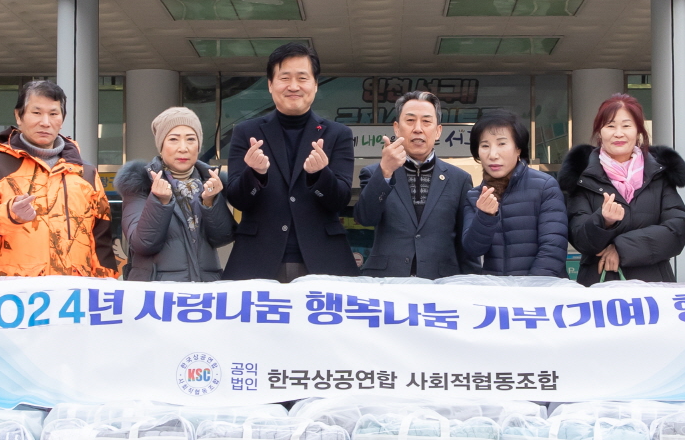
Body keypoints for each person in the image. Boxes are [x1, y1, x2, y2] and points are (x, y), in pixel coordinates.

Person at [222, 42, 357, 281]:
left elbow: (340, 200)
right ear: (270, 85)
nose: (293, 86)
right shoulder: (246, 132)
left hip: (323, 259)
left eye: (302, 78)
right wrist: (255, 174)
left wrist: (320, 175)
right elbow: (237, 199)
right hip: (256, 259)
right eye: (284, 78)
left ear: (315, 84)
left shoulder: (338, 134)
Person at [0, 80, 118, 278]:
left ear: (62, 119)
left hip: (75, 289)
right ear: (19, 116)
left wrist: (106, 283)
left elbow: (101, 238)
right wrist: (10, 214)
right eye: (36, 113)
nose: (45, 122)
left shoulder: (85, 172)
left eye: (53, 114)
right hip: (14, 289)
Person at [560, 93, 685, 285]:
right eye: (610, 126)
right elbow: (579, 238)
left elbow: (677, 230)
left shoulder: (659, 174)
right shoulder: (583, 176)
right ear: (599, 132)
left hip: (653, 287)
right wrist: (603, 221)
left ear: (638, 131)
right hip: (600, 286)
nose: (618, 133)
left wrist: (621, 248)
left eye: (626, 126)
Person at [354, 90, 467, 278]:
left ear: (438, 131)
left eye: (426, 121)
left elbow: (465, 243)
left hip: (441, 283)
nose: (418, 129)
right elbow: (365, 218)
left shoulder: (459, 179)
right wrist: (385, 172)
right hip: (387, 282)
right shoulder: (375, 173)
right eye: (410, 120)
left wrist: (472, 282)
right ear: (397, 128)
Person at [116, 106, 234, 282]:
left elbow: (223, 237)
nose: (183, 148)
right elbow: (142, 244)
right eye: (173, 139)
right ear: (161, 146)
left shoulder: (211, 182)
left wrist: (210, 202)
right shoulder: (141, 184)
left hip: (204, 289)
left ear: (199, 145)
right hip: (158, 291)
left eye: (191, 139)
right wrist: (160, 202)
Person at [459, 111, 568, 277]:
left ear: (518, 149)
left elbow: (553, 250)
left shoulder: (545, 186)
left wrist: (527, 289)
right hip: (497, 291)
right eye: (485, 146)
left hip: (541, 290)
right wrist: (485, 217)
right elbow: (473, 250)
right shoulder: (476, 196)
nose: (493, 155)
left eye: (502, 144)